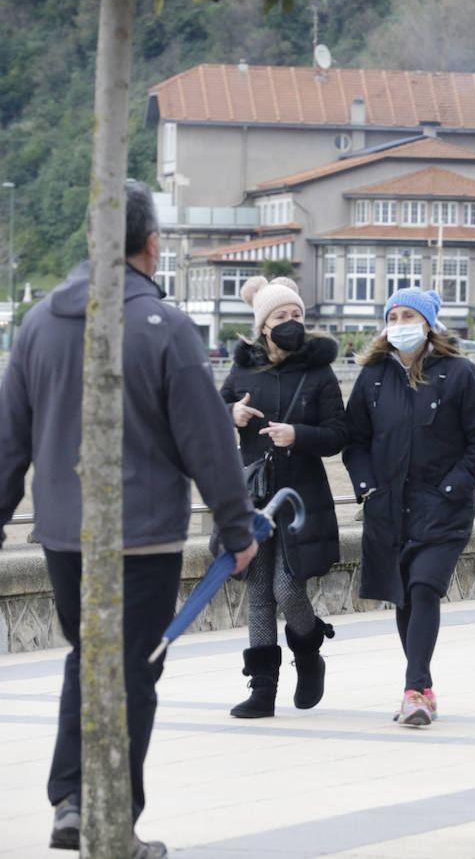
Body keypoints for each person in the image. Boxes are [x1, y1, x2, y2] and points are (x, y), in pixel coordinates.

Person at [0, 182, 258, 857]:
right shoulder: (166, 329)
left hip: (63, 535)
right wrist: (237, 529)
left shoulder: (38, 323)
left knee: (89, 658)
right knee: (133, 671)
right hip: (143, 538)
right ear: (152, 245)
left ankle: (72, 799)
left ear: (92, 240)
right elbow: (209, 442)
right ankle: (110, 818)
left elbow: (9, 439)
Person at [343, 288, 475, 726]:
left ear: (429, 323)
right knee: (403, 596)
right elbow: (354, 440)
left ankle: (414, 691)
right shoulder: (373, 376)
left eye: (409, 316)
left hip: (443, 508)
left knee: (424, 587)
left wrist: (454, 486)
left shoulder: (461, 373)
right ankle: (422, 688)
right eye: (393, 317)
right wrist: (366, 487)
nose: (400, 324)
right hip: (388, 508)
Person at [219, 276, 346, 718]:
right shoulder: (242, 370)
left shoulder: (319, 370)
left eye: (296, 314)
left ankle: (309, 652)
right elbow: (209, 416)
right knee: (258, 591)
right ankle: (262, 689)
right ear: (262, 325)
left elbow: (339, 434)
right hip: (253, 496)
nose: (290, 321)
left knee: (287, 589)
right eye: (280, 315)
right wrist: (232, 414)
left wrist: (298, 435)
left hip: (300, 497)